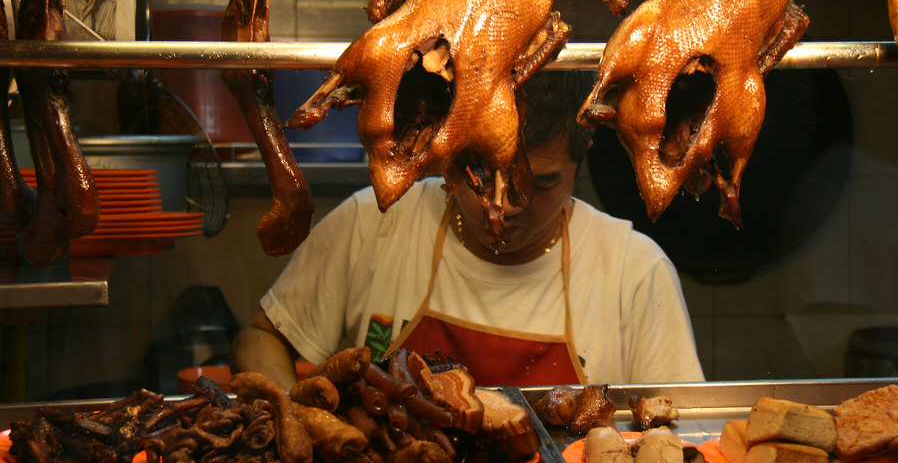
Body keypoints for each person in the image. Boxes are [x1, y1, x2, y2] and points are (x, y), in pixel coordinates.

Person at [229, 70, 705, 389]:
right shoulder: (373, 225)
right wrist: (296, 418)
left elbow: (676, 431)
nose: (504, 206)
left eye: (540, 183)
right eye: (478, 173)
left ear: (579, 163)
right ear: (445, 151)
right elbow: (260, 338)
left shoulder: (633, 271)